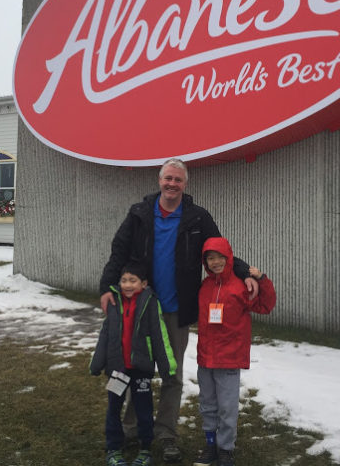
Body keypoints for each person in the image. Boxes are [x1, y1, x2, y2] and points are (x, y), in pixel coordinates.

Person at [100, 158, 258, 463]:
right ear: (159, 181)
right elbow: (118, 250)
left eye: (178, 180)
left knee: (172, 374)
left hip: (176, 309)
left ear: (185, 185)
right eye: (168, 178)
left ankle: (167, 433)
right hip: (143, 307)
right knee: (138, 368)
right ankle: (133, 428)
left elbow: (220, 250)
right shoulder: (139, 213)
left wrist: (246, 272)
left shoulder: (197, 218)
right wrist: (108, 287)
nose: (172, 184)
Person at [193, 237, 276, 466]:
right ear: (205, 262)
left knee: (227, 408)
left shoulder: (242, 286)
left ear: (229, 258)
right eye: (210, 258)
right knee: (207, 404)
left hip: (228, 360)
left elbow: (265, 305)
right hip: (205, 359)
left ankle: (226, 449)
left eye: (220, 257)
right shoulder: (204, 286)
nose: (215, 262)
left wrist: (261, 279)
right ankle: (210, 444)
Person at [90, 262, 177, 466]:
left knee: (144, 410)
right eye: (124, 280)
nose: (128, 285)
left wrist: (167, 366)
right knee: (114, 408)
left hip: (141, 370)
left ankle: (145, 448)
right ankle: (113, 448)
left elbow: (159, 335)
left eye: (133, 281)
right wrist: (97, 363)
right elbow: (105, 335)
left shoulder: (150, 303)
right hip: (118, 370)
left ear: (143, 283)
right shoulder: (113, 303)